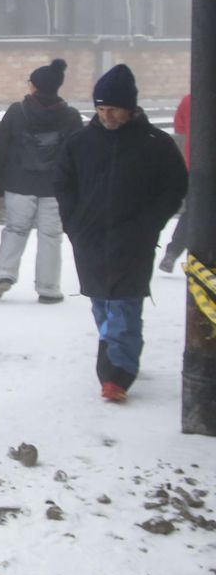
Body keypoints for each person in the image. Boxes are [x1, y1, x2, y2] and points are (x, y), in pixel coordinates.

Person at [54, 64, 187, 402]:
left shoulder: (155, 144)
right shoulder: (80, 143)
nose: (106, 115)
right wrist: (74, 223)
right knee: (101, 302)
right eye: (100, 108)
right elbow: (63, 185)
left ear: (130, 107)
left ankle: (118, 372)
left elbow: (174, 188)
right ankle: (114, 353)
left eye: (113, 108)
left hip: (134, 240)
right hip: (90, 238)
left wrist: (149, 223)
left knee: (125, 304)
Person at [0, 59, 84, 303]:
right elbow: (78, 155)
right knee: (51, 236)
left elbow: (2, 148)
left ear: (35, 86)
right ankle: (48, 288)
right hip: (55, 187)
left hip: (19, 184)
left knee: (15, 229)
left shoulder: (17, 112)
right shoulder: (71, 116)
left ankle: (5, 275)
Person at [160, 92, 193, 273]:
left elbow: (180, 128)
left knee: (191, 213)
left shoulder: (189, 100)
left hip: (195, 166)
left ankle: (172, 252)